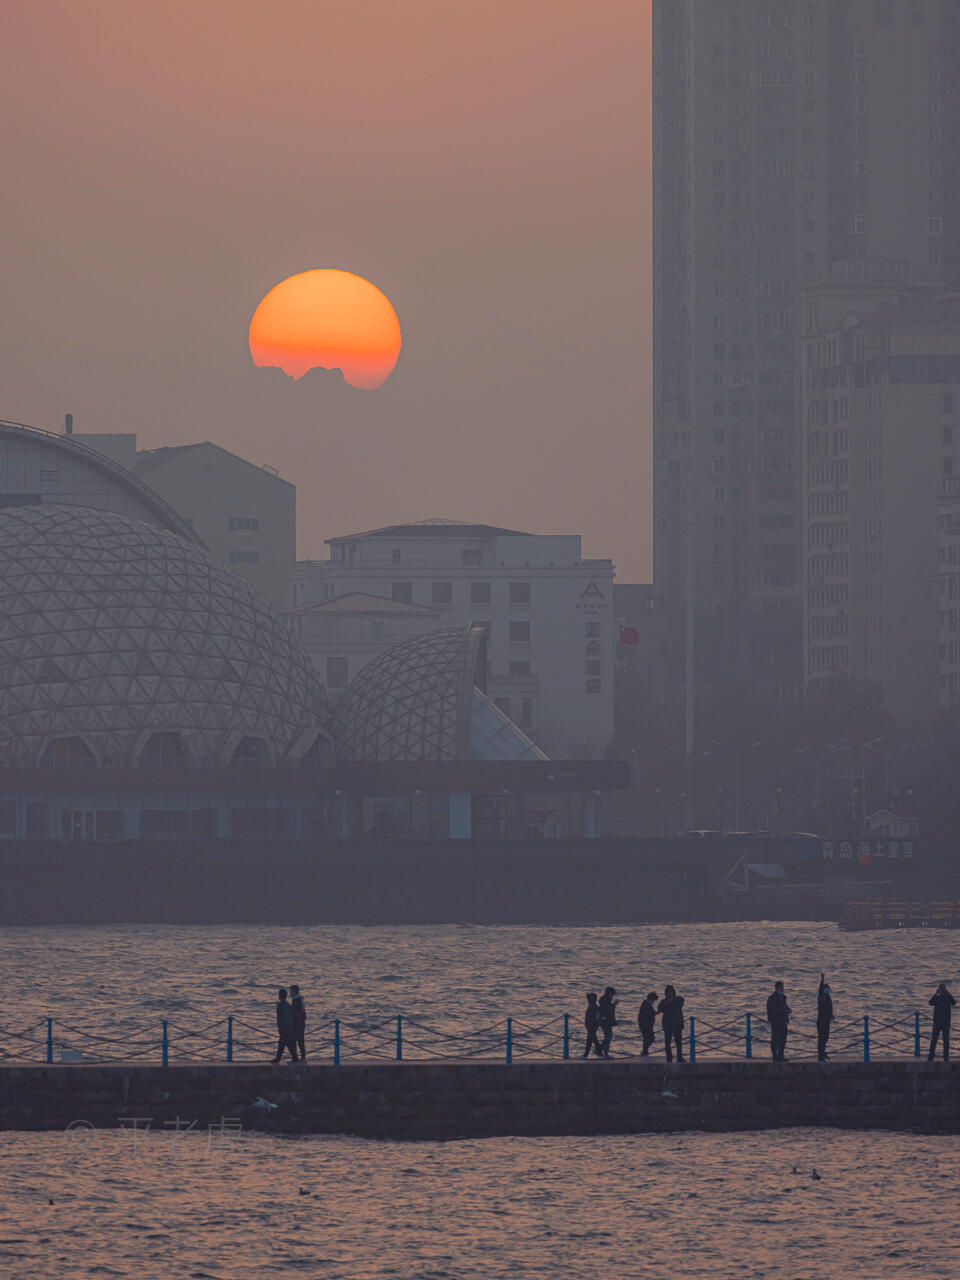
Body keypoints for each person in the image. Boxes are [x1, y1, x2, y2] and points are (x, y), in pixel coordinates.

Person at [928, 982, 956, 1062]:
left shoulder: (945, 998)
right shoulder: (939, 998)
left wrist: (937, 994)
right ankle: (940, 1057)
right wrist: (936, 994)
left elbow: (954, 1002)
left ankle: (935, 1057)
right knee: (940, 1040)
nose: (942, 991)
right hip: (940, 1022)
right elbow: (930, 1003)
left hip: (942, 1022)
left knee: (938, 1040)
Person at [658, 985, 685, 1063]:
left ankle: (679, 1057)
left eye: (671, 992)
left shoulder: (678, 1000)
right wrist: (667, 1003)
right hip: (668, 1025)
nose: (670, 994)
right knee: (667, 1043)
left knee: (679, 1043)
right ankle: (669, 1058)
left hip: (677, 1024)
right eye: (668, 992)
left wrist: (673, 1001)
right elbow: (659, 1009)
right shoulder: (663, 1002)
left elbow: (682, 1001)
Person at [272, 987, 298, 1063]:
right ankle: (278, 1058)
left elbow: (279, 1018)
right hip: (289, 1026)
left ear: (279, 996)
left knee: (287, 1043)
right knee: (282, 1043)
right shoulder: (288, 1005)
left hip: (284, 1027)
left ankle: (294, 1058)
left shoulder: (280, 1005)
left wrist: (279, 1028)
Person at [766, 980, 791, 1061]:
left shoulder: (783, 997)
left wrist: (788, 1009)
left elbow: (785, 1006)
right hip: (776, 1021)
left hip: (784, 1021)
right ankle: (775, 1056)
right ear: (777, 987)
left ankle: (781, 1055)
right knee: (775, 1039)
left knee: (783, 1039)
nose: (783, 988)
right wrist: (784, 1011)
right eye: (781, 986)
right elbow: (773, 1009)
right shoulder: (772, 997)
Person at [817, 972, 834, 1062]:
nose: (828, 990)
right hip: (821, 1020)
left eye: (828, 989)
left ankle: (823, 1052)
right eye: (826, 988)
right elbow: (820, 989)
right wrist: (822, 979)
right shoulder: (821, 997)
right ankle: (820, 1055)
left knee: (826, 1037)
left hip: (827, 1020)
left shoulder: (828, 997)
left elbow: (829, 1008)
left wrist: (831, 1015)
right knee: (821, 1037)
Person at [598, 986, 619, 1058]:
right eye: (612, 994)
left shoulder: (606, 1001)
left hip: (606, 1021)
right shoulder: (605, 1001)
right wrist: (613, 1005)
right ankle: (601, 1050)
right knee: (608, 1037)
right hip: (606, 1021)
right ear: (609, 994)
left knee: (608, 1037)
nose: (613, 996)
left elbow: (609, 1010)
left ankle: (602, 1051)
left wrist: (614, 1005)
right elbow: (606, 1011)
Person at [583, 991, 604, 1059]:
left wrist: (595, 1024)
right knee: (590, 1040)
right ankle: (586, 1054)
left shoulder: (594, 1007)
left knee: (593, 1040)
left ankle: (599, 1054)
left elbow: (596, 1017)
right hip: (590, 1026)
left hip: (592, 1026)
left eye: (589, 999)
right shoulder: (592, 1006)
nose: (587, 1000)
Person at [638, 991, 658, 1056]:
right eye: (653, 1000)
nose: (653, 1002)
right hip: (645, 1025)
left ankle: (645, 1050)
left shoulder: (647, 1005)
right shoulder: (646, 1005)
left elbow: (651, 1013)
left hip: (648, 1025)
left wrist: (656, 1013)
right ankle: (644, 1051)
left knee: (649, 1038)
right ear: (650, 999)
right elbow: (645, 1015)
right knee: (649, 1038)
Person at [290, 983, 306, 1060]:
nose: (290, 992)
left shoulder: (296, 1000)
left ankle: (296, 1057)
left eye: (291, 991)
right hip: (301, 1023)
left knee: (294, 1041)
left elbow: (295, 1013)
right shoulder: (301, 999)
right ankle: (302, 1056)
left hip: (297, 1024)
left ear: (294, 991)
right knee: (300, 1041)